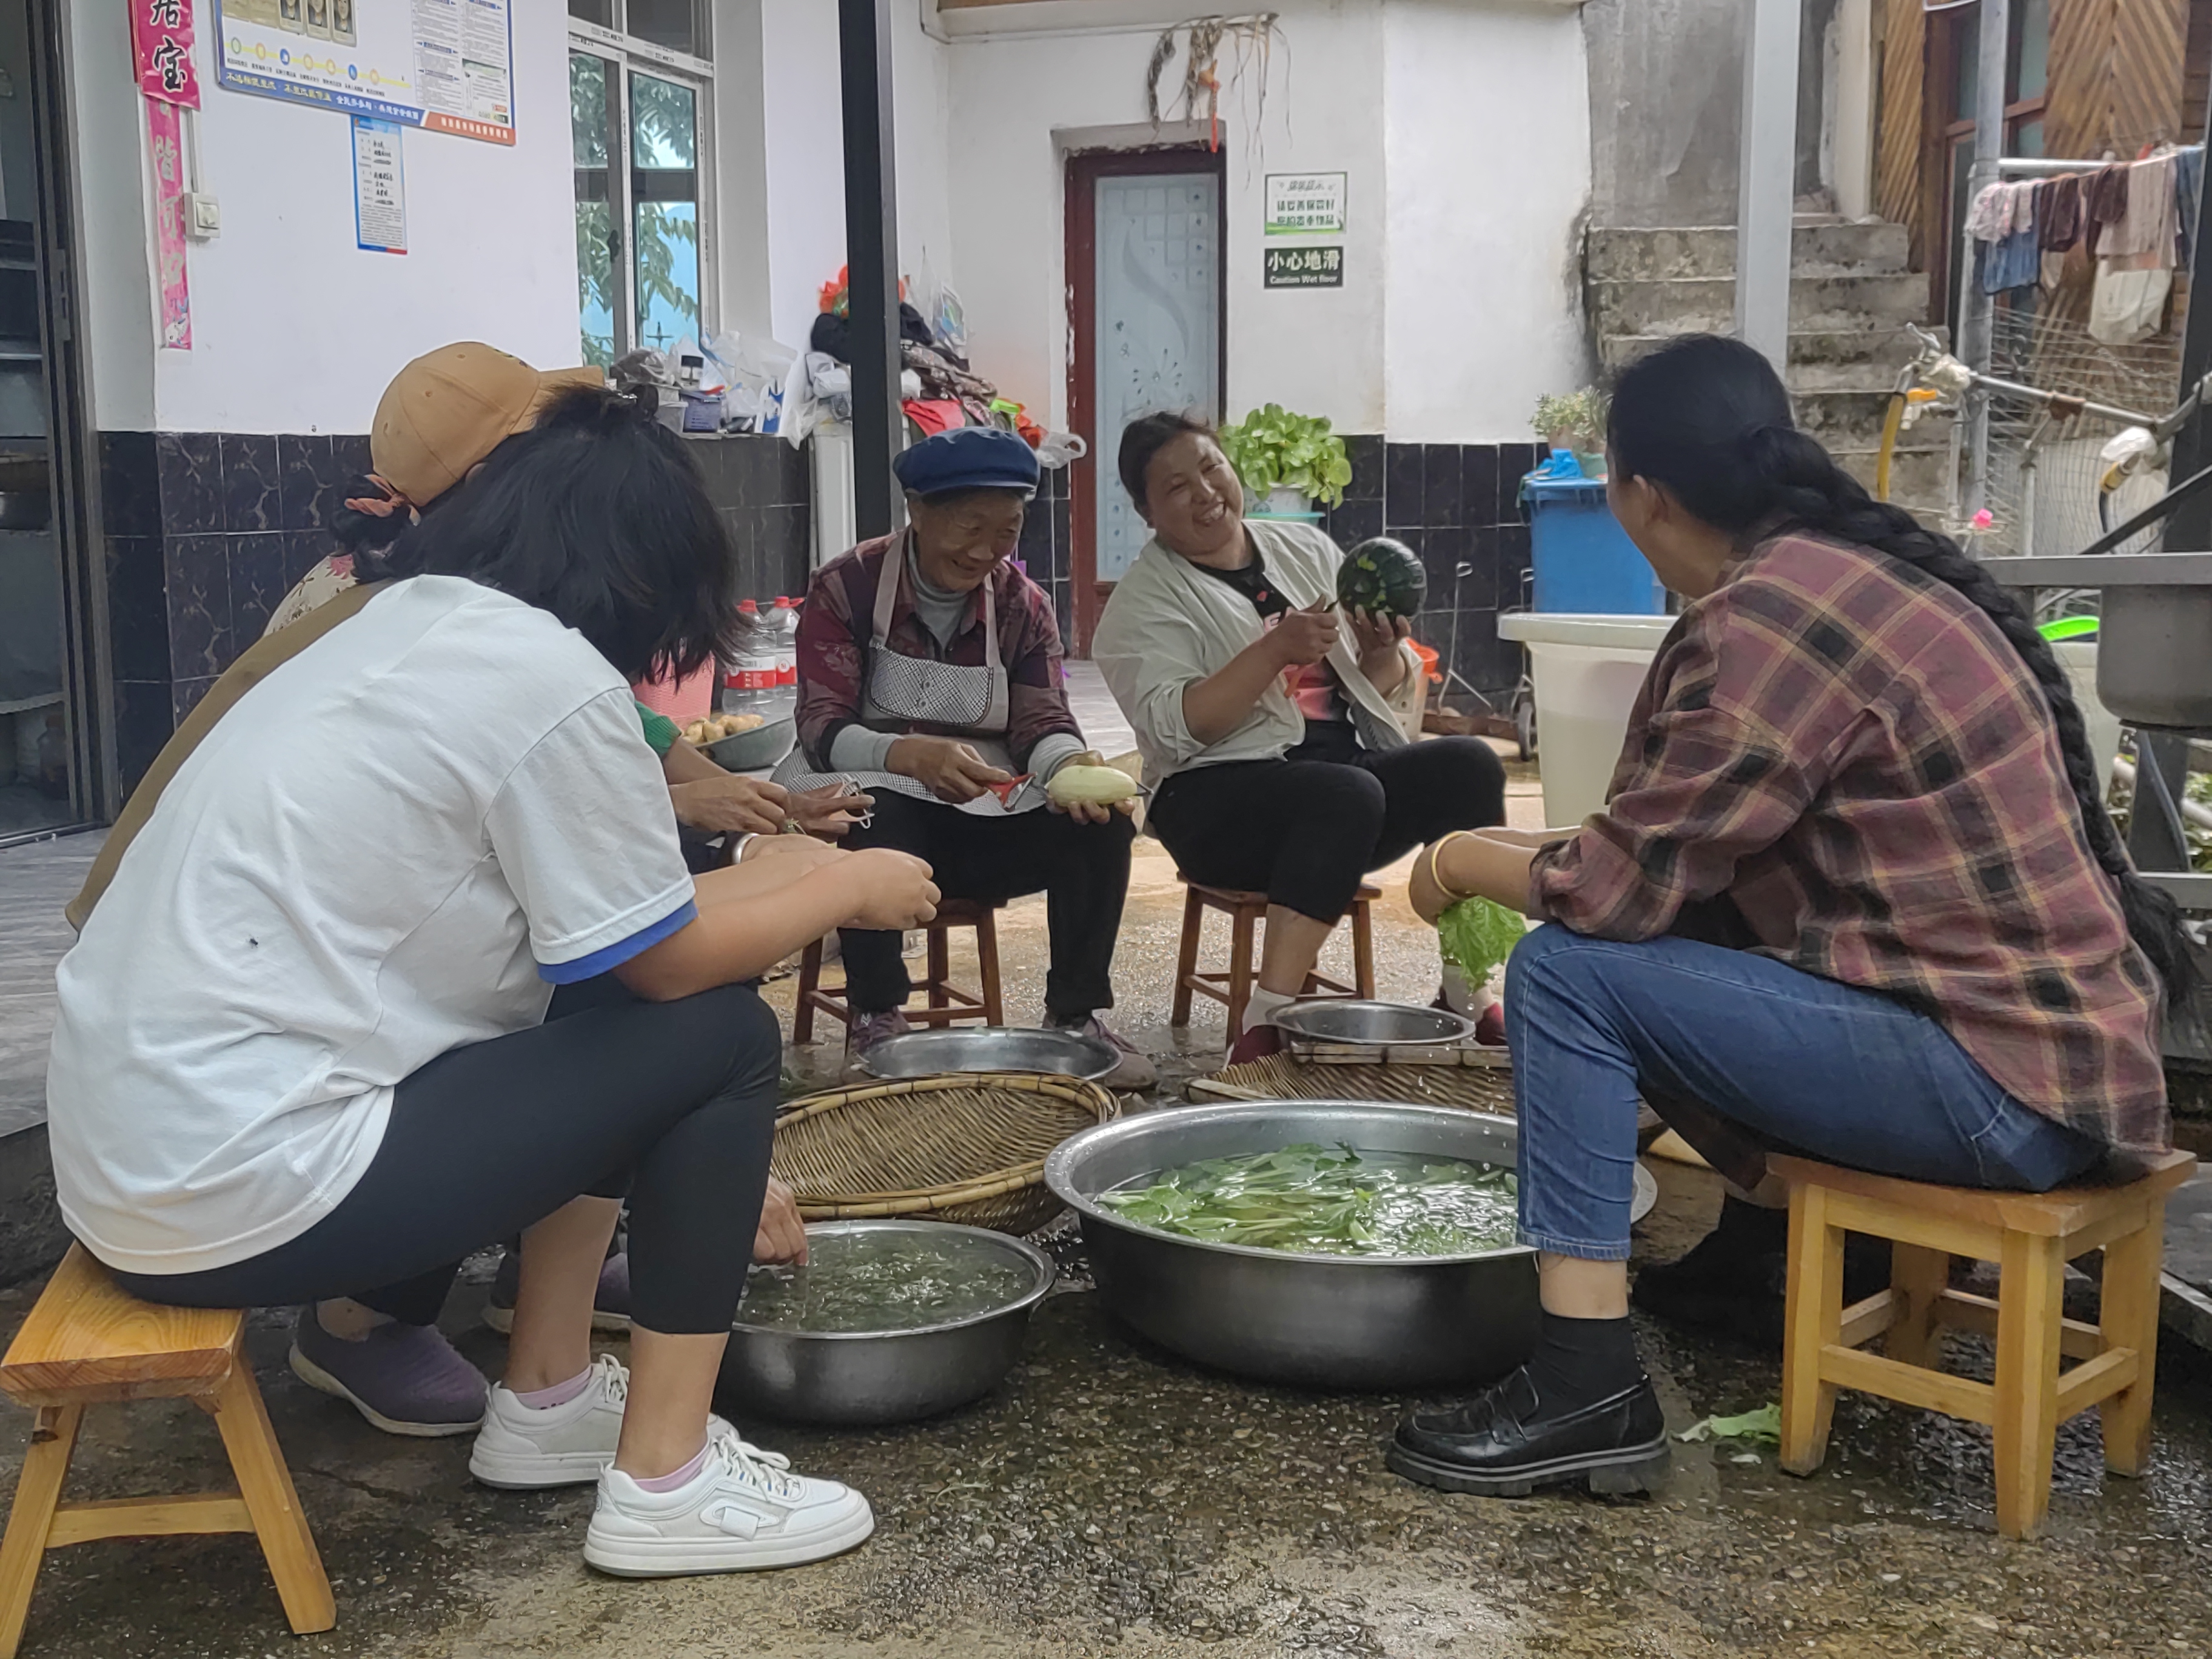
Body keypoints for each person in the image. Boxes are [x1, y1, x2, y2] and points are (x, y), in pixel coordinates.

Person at [47, 387, 943, 1577]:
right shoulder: (545, 679)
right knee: (721, 1039)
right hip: (241, 1192)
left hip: (127, 1168)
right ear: (642, 572)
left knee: (599, 998)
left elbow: (621, 942)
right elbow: (674, 960)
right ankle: (666, 1482)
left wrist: (790, 874)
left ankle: (548, 1398)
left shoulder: (390, 624)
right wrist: (844, 885)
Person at [1387, 333, 2195, 1499]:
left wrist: (1459, 857)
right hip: (2063, 1069)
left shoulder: (1764, 618)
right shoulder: (1852, 575)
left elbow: (1608, 892)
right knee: (1677, 936)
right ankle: (1754, 1261)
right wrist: (1479, 858)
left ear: (1639, 493)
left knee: (1566, 972)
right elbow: (1667, 861)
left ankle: (1583, 1388)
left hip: (1996, 1089)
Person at [261, 341, 868, 858]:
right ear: (495, 484)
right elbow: (501, 800)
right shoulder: (435, 616)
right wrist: (685, 806)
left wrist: (755, 802)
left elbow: (611, 715)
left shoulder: (447, 585)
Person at [1093, 414, 1509, 1051]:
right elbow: (1179, 731)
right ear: (1146, 512)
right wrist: (1273, 651)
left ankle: (1466, 987)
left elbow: (1369, 686)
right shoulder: (1140, 603)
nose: (1205, 493)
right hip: (1212, 803)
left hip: (1339, 789)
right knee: (1344, 792)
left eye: (1211, 468)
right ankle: (1266, 1019)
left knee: (1468, 766)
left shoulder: (1306, 550)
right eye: (1176, 488)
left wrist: (1380, 651)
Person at [779, 426, 1154, 1089]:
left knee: (1100, 826)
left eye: (1006, 531)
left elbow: (1042, 720)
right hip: (879, 822)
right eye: (969, 526)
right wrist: (905, 754)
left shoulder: (1022, 606)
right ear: (918, 511)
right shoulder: (848, 587)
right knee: (870, 812)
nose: (985, 551)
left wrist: (1069, 768)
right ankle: (877, 1016)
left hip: (980, 824)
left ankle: (1075, 1018)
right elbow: (820, 726)